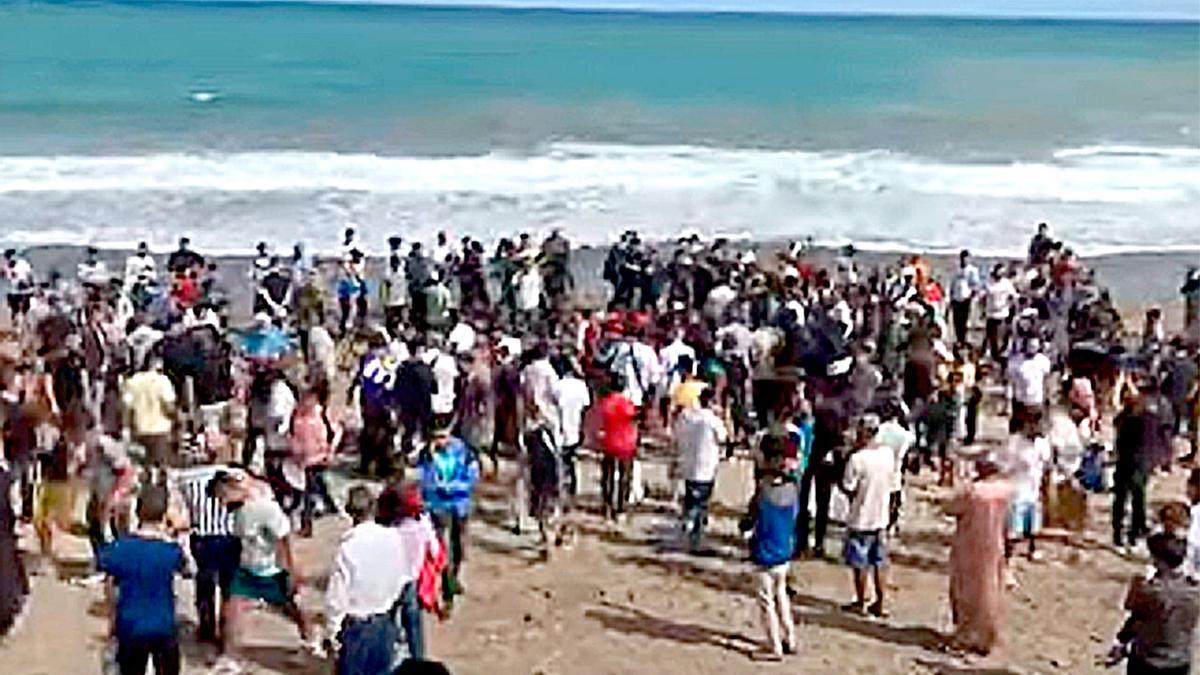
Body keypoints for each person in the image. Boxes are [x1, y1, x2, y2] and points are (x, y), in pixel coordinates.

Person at [211, 470, 317, 672]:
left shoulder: (263, 508)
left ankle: (310, 637)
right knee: (234, 609)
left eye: (223, 496)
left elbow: (283, 538)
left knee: (290, 606)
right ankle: (230, 656)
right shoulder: (240, 509)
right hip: (248, 568)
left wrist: (290, 570)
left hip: (271, 569)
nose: (223, 503)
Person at [97, 484, 184, 675]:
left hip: (129, 625)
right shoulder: (171, 551)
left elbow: (110, 587)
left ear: (137, 512)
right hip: (164, 625)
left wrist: (111, 621)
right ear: (164, 514)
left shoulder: (119, 549)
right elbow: (186, 570)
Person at [326, 486, 412, 675]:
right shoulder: (393, 538)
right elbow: (403, 579)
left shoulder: (348, 547)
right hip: (385, 622)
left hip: (357, 628)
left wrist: (332, 632)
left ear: (350, 513)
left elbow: (337, 597)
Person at [948, 461, 1013, 656]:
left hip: (969, 544)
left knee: (966, 590)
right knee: (991, 589)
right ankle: (988, 636)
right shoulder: (1006, 491)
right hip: (995, 543)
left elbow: (952, 508)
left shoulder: (973, 492)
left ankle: (966, 634)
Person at [1110, 533, 1199, 674]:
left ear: (1160, 561)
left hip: (1149, 661)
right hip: (1180, 661)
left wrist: (1120, 643)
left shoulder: (1150, 590)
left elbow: (1134, 615)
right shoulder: (1194, 590)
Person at [741, 441, 799, 661]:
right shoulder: (792, 489)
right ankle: (790, 638)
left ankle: (774, 646)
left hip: (764, 553)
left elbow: (749, 519)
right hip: (784, 551)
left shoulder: (763, 491)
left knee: (767, 602)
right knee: (781, 595)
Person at [415, 420, 479, 611]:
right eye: (436, 437)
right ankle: (447, 586)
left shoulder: (464, 451)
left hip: (460, 505)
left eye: (444, 436)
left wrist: (453, 487)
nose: (441, 441)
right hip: (438, 507)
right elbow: (425, 482)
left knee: (459, 545)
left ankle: (455, 576)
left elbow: (472, 476)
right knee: (442, 548)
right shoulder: (426, 455)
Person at [176, 462, 239, 650]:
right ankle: (226, 630)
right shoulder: (232, 473)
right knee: (229, 587)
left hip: (203, 537)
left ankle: (207, 628)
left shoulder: (185, 479)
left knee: (205, 585)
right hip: (230, 536)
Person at [840, 414, 894, 617]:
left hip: (861, 516)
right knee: (879, 562)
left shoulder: (857, 459)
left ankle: (862, 601)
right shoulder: (887, 454)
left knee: (859, 563)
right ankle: (881, 602)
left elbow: (848, 486)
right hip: (880, 516)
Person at [674, 387, 728, 552]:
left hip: (688, 463)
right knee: (701, 502)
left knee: (691, 495)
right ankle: (695, 535)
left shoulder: (687, 416)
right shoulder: (713, 421)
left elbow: (678, 434)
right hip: (706, 466)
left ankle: (688, 524)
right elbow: (724, 437)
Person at [290, 387, 341, 537]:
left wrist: (331, 451)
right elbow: (292, 434)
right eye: (303, 399)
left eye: (309, 399)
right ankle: (329, 505)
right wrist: (294, 450)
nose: (306, 403)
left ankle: (307, 524)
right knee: (313, 486)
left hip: (319, 457)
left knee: (308, 491)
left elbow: (337, 431)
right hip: (303, 460)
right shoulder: (296, 415)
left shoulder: (322, 414)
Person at [1002, 413, 1051, 561]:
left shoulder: (1042, 443)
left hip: (1034, 488)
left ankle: (1032, 549)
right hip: (1018, 488)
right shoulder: (1015, 443)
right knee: (1015, 525)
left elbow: (1047, 464)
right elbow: (1006, 465)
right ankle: (1009, 555)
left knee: (1033, 523)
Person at [595, 375, 639, 523]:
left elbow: (600, 422)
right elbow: (634, 419)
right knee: (624, 477)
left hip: (609, 442)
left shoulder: (605, 403)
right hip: (626, 444)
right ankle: (621, 507)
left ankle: (607, 505)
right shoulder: (628, 404)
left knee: (607, 476)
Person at [1115, 391, 1152, 550]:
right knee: (1138, 500)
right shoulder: (1143, 421)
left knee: (1121, 500)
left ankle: (1118, 534)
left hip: (1124, 463)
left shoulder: (1123, 420)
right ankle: (1134, 534)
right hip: (1138, 464)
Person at [949, 249, 981, 346]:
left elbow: (975, 285)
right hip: (956, 298)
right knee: (956, 320)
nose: (964, 260)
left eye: (966, 258)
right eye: (962, 258)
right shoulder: (956, 270)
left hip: (966, 299)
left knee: (965, 320)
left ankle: (965, 339)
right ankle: (959, 339)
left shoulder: (972, 270)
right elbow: (952, 284)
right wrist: (951, 297)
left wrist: (971, 297)